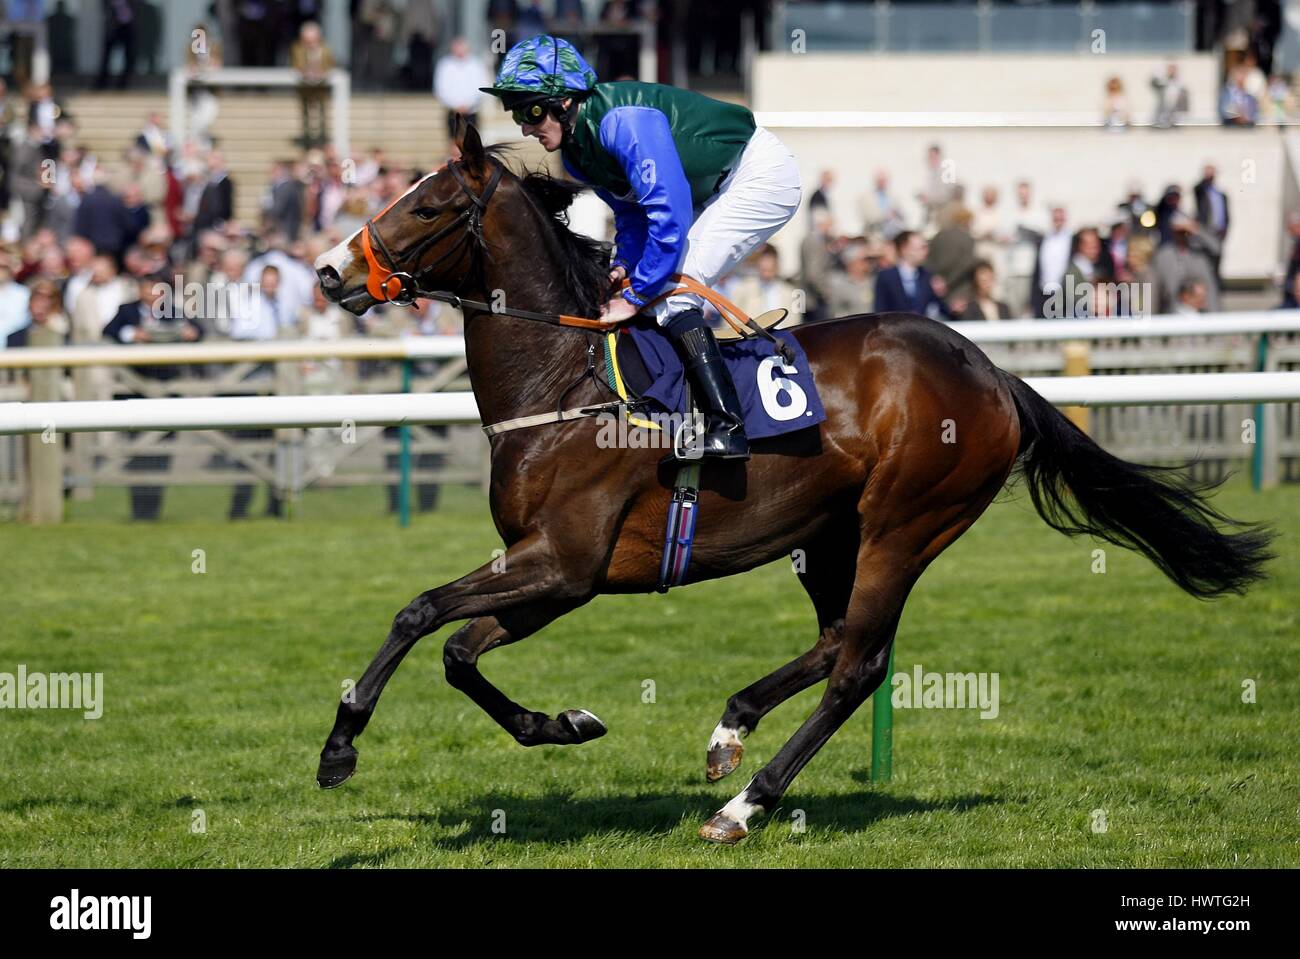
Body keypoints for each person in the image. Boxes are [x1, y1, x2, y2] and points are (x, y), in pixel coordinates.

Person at [481, 35, 803, 460]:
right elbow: (633, 216)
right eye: (517, 112)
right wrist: (625, 267)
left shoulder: (623, 124)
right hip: (711, 189)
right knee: (649, 284)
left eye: (532, 110)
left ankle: (728, 427)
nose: (525, 125)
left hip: (758, 175)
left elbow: (669, 215)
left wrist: (637, 294)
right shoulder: (578, 152)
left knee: (672, 289)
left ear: (565, 101)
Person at [874, 231, 948, 319]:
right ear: (905, 249)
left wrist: (942, 295)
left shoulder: (928, 276)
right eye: (922, 247)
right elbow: (880, 310)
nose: (926, 252)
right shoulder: (886, 277)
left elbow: (940, 309)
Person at [435, 37, 492, 145]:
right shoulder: (445, 65)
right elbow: (441, 89)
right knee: (454, 143)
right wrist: (455, 105)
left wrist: (468, 105)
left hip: (471, 112)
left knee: (472, 143)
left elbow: (483, 87)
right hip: (453, 112)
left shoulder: (476, 65)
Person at [290, 22, 335, 149]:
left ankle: (322, 138)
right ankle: (307, 139)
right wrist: (305, 71)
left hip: (321, 87)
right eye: (307, 40)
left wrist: (322, 71)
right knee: (305, 114)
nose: (310, 43)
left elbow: (331, 64)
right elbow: (296, 64)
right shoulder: (297, 48)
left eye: (312, 40)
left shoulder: (325, 49)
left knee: (322, 113)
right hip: (305, 87)